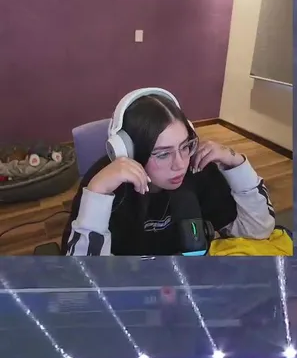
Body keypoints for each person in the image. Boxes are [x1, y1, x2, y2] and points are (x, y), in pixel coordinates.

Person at [64, 87, 276, 256]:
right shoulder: (104, 184)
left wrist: (235, 163)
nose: (180, 164)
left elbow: (257, 230)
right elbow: (85, 277)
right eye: (163, 154)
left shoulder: (197, 169)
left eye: (185, 146)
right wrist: (96, 195)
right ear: (128, 152)